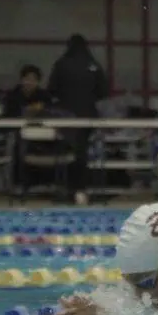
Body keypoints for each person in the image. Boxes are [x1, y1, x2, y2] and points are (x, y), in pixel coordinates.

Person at [47, 34, 109, 205]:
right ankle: (81, 190)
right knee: (82, 152)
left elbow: (51, 89)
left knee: (68, 152)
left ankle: (69, 189)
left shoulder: (61, 64)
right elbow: (104, 91)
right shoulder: (93, 64)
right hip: (88, 116)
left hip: (66, 117)